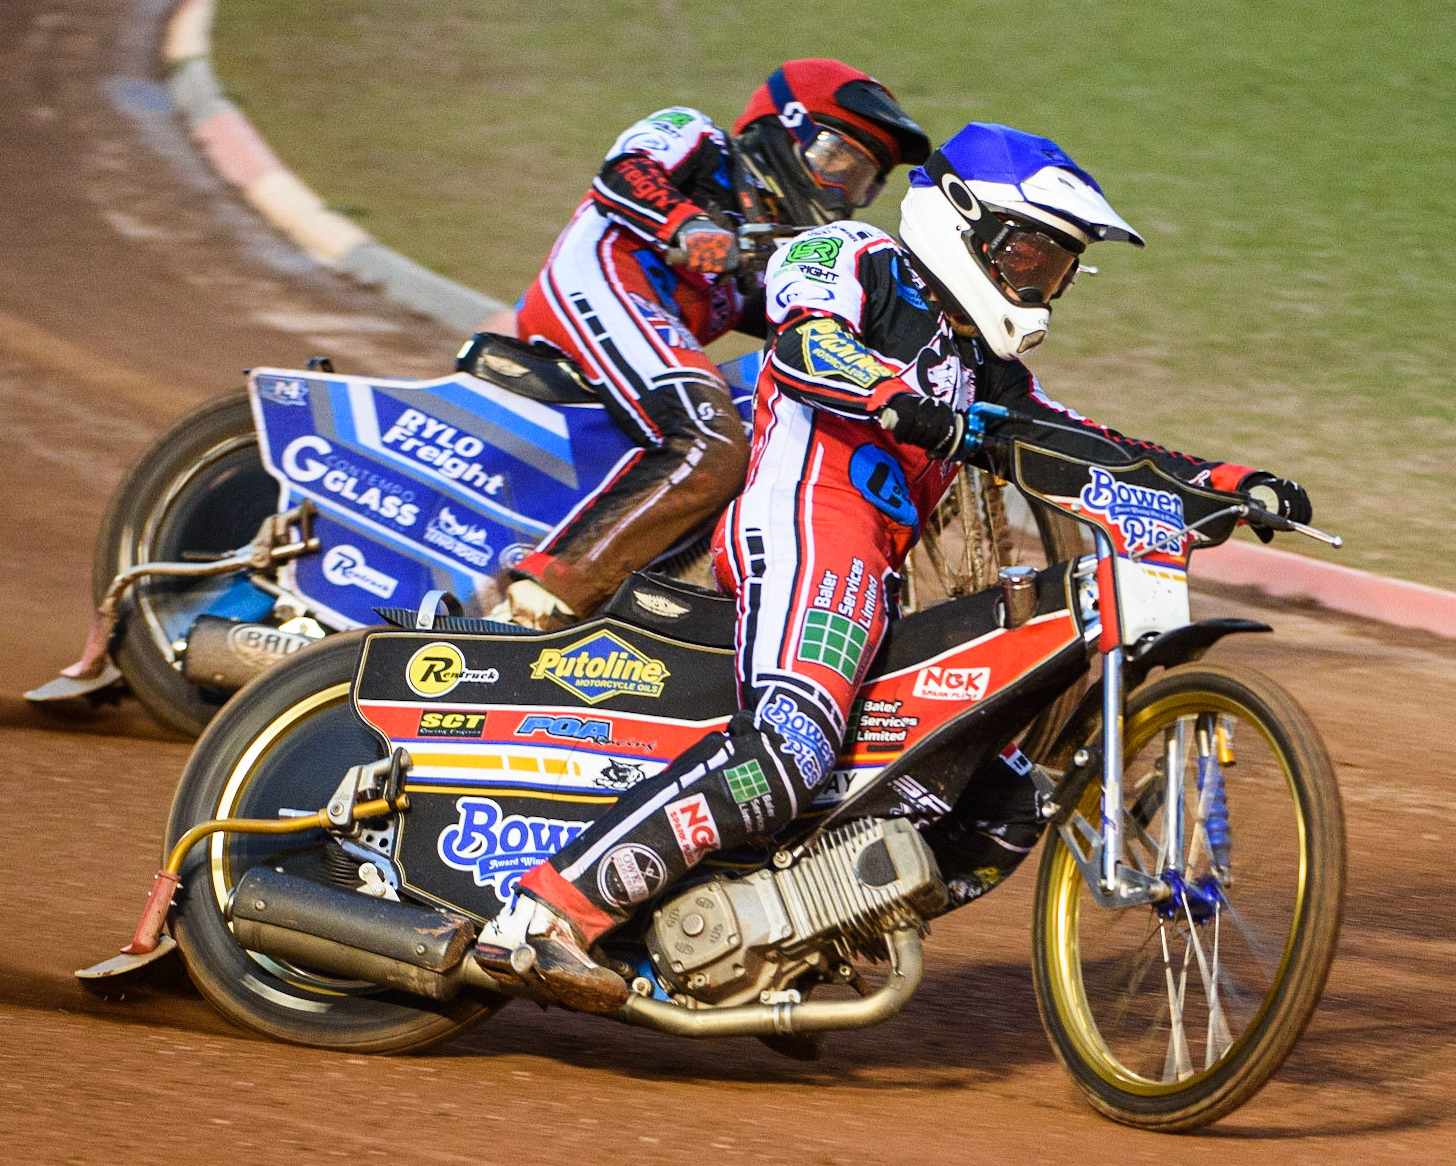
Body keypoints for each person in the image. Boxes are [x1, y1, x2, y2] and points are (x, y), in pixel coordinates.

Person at [476, 122, 1312, 1012]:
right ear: (957, 219)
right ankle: (545, 913)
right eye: (1027, 253)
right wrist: (897, 401)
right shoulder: (851, 254)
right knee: (792, 748)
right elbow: (807, 347)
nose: (1037, 284)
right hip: (807, 526)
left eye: (1056, 268)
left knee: (962, 785)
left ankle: (777, 941)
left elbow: (1074, 442)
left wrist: (1219, 483)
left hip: (873, 565)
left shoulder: (981, 368)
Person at [490, 60, 930, 629]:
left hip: (644, 324)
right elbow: (624, 171)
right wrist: (686, 224)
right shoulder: (695, 135)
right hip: (601, 276)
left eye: (864, 179)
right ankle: (538, 605)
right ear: (785, 127)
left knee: (768, 425)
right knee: (712, 440)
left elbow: (787, 314)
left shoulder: (767, 245)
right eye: (837, 160)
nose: (846, 190)